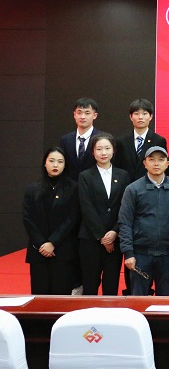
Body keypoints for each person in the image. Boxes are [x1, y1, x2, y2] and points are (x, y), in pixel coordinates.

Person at [119, 146, 169, 296]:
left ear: (167, 164)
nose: (156, 163)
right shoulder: (133, 189)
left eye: (161, 160)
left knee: (165, 299)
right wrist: (128, 253)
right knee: (139, 299)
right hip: (140, 254)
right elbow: (125, 223)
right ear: (145, 163)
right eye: (152, 159)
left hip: (167, 254)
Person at [23, 147, 80, 294]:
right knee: (39, 296)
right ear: (45, 163)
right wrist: (42, 243)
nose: (55, 165)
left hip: (63, 251)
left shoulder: (73, 188)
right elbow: (28, 218)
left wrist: (53, 242)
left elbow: (72, 218)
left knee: (61, 296)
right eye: (52, 161)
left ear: (65, 165)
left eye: (60, 162)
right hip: (39, 251)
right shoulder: (32, 189)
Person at [78, 133, 130, 295]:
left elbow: (125, 206)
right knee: (90, 283)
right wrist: (102, 236)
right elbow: (86, 207)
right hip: (90, 238)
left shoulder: (123, 175)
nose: (103, 153)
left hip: (115, 238)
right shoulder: (85, 176)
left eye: (107, 148)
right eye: (99, 149)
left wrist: (114, 232)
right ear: (93, 152)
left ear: (113, 150)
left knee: (111, 284)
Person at [115, 98, 169, 181]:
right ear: (131, 117)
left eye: (144, 114)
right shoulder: (121, 141)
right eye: (136, 114)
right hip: (126, 186)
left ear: (151, 116)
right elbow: (117, 167)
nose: (140, 117)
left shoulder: (159, 140)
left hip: (150, 185)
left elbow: (165, 168)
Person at [59, 97, 104, 181]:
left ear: (95, 115)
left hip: (94, 185)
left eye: (87, 113)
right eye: (79, 113)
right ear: (74, 115)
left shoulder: (102, 139)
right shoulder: (66, 140)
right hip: (70, 186)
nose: (82, 117)